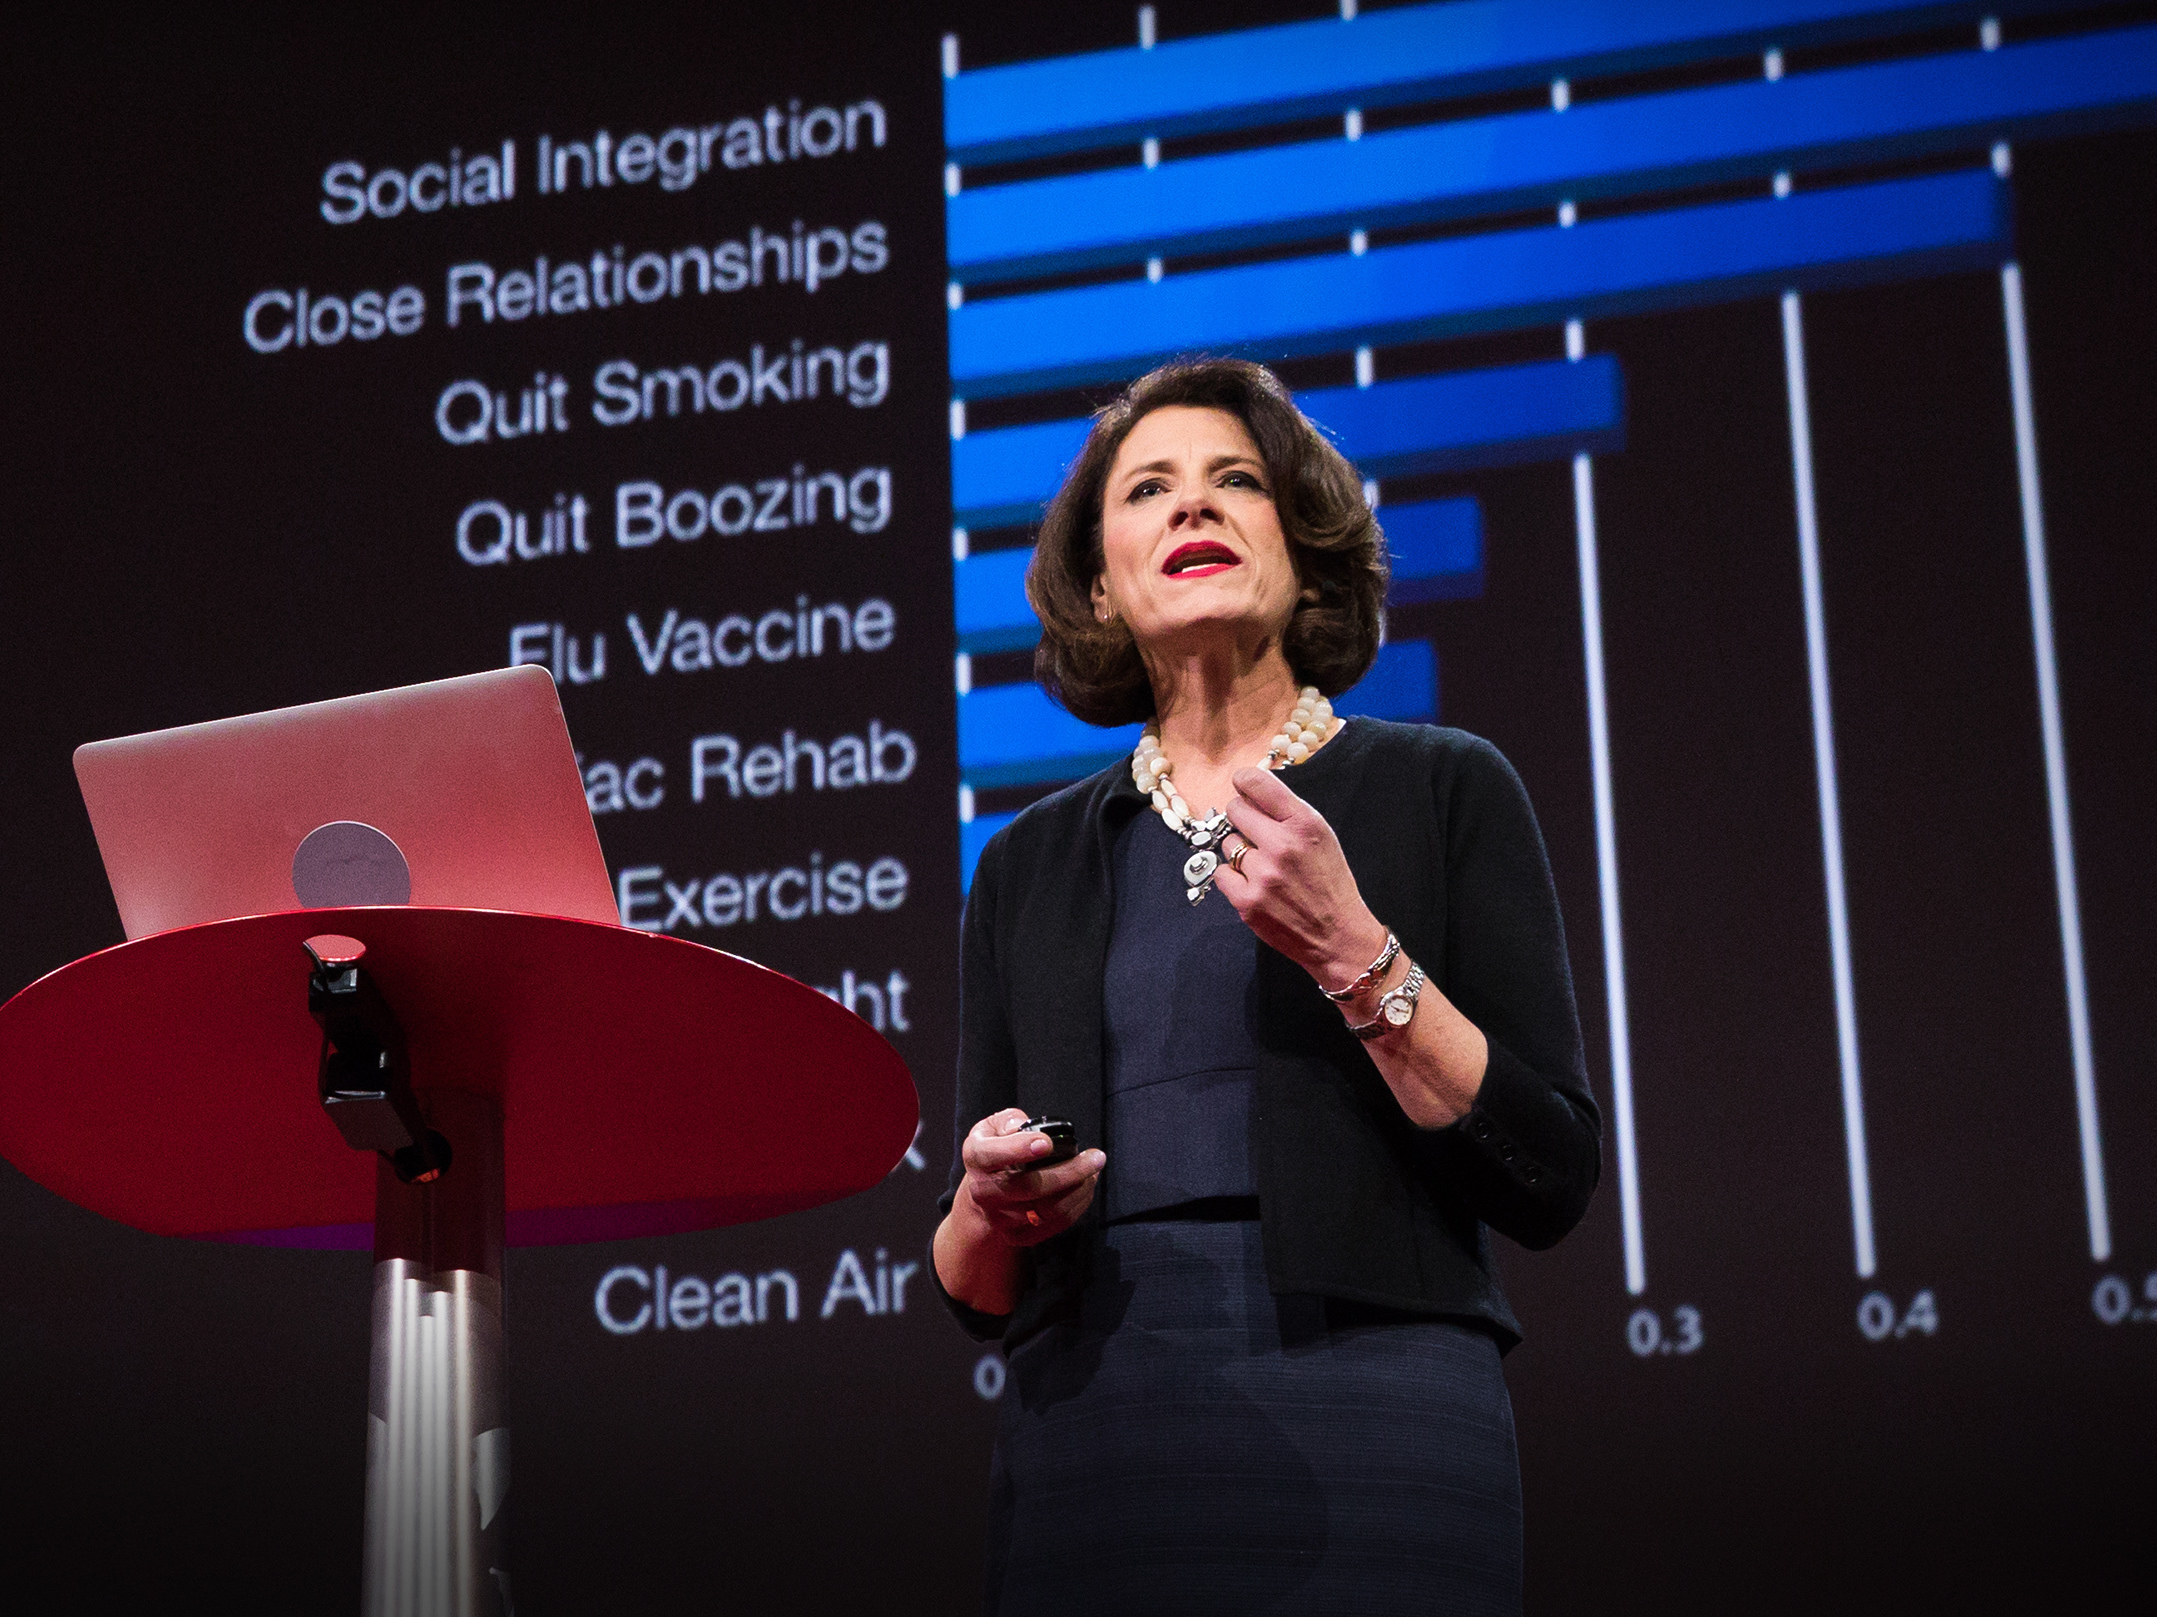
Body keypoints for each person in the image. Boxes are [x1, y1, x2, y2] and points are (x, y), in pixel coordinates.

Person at [931, 358, 1600, 1615]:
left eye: (1237, 482)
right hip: (1093, 1434)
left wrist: (1357, 954)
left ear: (1307, 555)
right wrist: (987, 1204)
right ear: (1098, 583)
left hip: (1381, 1419)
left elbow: (1552, 1172)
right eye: (1151, 490)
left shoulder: (1445, 787)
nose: (1195, 508)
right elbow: (972, 1285)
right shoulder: (1027, 867)